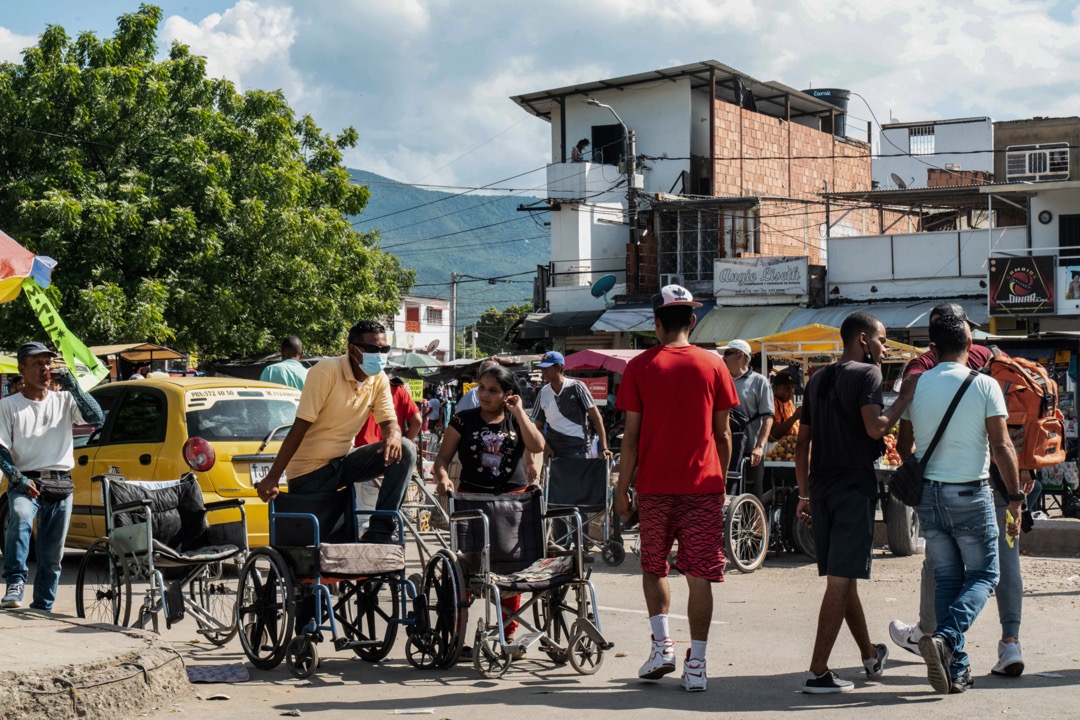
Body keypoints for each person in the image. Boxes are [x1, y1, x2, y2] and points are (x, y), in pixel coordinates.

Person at [889, 302, 1036, 679]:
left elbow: (905, 448)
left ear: (932, 344)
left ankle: (954, 667)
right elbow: (1003, 445)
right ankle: (958, 639)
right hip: (975, 491)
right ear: (969, 338)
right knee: (989, 574)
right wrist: (1017, 496)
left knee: (947, 576)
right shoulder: (989, 373)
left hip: (930, 497)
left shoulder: (917, 379)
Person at [615, 284, 738, 693]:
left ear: (655, 324)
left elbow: (630, 438)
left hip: (653, 487)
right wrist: (718, 479)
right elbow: (723, 435)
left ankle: (662, 646)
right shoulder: (714, 365)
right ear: (692, 320)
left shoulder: (639, 367)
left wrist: (621, 488)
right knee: (700, 574)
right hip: (704, 485)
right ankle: (697, 664)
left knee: (653, 567)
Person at [794, 311, 914, 693]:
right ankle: (817, 672)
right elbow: (875, 427)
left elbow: (801, 444)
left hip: (823, 491)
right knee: (840, 581)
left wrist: (804, 494)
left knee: (844, 580)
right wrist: (903, 400)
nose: (883, 347)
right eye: (881, 339)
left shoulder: (817, 379)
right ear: (863, 339)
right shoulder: (868, 375)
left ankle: (869, 654)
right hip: (852, 490)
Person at [255, 320, 416, 545]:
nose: (379, 355)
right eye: (372, 349)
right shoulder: (326, 371)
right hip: (310, 473)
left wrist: (394, 435)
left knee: (407, 448)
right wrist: (273, 477)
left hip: (342, 463)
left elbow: (389, 421)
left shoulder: (378, 378)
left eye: (384, 350)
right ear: (353, 349)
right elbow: (299, 427)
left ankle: (380, 530)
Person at [434, 364, 546, 651]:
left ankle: (509, 633)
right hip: (472, 502)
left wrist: (519, 412)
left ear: (508, 394)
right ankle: (459, 637)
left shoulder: (517, 419)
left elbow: (537, 445)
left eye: (492, 390)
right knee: (468, 570)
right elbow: (442, 459)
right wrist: (444, 478)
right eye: (481, 388)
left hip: (513, 502)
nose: (484, 394)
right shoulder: (463, 420)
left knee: (512, 568)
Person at [2, 343, 105, 610]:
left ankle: (42, 606)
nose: (45, 369)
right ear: (22, 369)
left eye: (48, 363)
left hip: (60, 482)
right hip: (25, 480)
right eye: (37, 364)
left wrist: (73, 385)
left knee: (52, 554)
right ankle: (15, 581)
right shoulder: (8, 406)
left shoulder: (64, 400)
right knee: (21, 517)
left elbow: (97, 417)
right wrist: (18, 480)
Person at [531, 351, 612, 461]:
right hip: (553, 453)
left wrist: (603, 448)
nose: (543, 372)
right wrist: (547, 446)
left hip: (578, 450)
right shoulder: (543, 392)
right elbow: (537, 426)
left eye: (546, 368)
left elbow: (597, 418)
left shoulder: (577, 387)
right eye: (542, 369)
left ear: (558, 368)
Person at [721, 339, 774, 497]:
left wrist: (759, 447)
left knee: (752, 498)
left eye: (727, 354)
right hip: (724, 449)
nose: (723, 358)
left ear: (740, 356)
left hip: (750, 452)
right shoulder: (722, 380)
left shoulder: (759, 381)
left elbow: (768, 417)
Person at [769, 371, 801, 441]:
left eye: (792, 387)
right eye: (787, 388)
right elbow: (774, 434)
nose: (791, 391)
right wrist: (795, 417)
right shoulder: (771, 403)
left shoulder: (788, 402)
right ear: (775, 389)